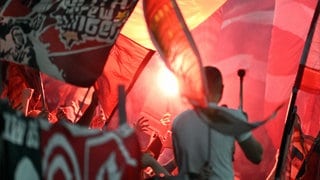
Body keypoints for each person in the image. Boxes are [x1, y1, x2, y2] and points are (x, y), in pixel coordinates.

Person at [172, 66, 263, 180]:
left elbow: (180, 163)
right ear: (222, 89)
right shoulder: (232, 117)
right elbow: (256, 156)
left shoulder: (178, 121)